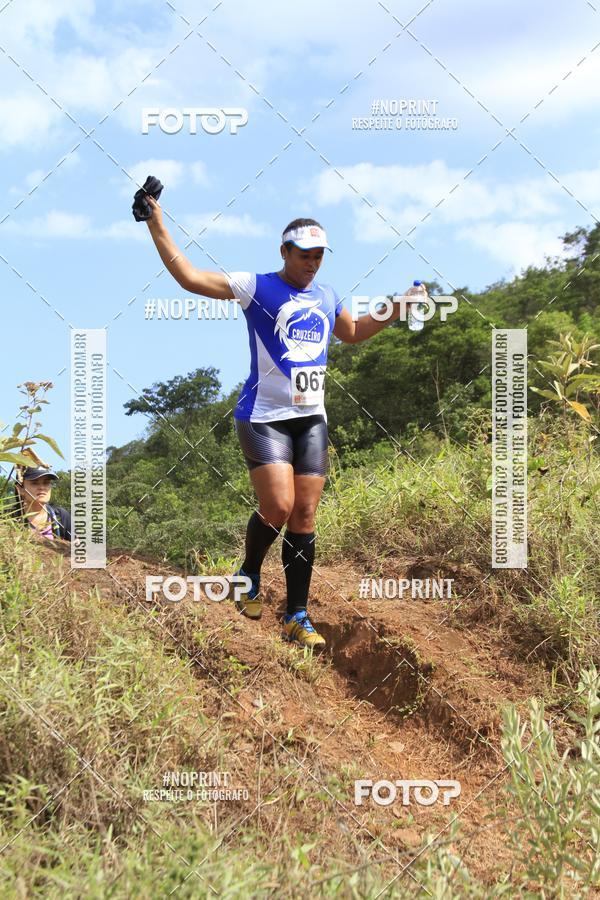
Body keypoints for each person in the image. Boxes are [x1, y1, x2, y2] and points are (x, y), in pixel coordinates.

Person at [140, 181, 425, 650]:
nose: (312, 264)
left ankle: (296, 615)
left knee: (305, 515)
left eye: (319, 256)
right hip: (264, 415)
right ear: (285, 252)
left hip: (311, 418)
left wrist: (398, 305)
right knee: (278, 506)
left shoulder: (327, 293)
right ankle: (247, 575)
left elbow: (352, 332)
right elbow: (189, 277)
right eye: (304, 255)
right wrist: (157, 224)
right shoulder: (256, 286)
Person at [14, 465, 72, 541]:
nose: (42, 487)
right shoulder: (9, 519)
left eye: (46, 483)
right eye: (34, 483)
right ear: (20, 489)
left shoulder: (61, 516)